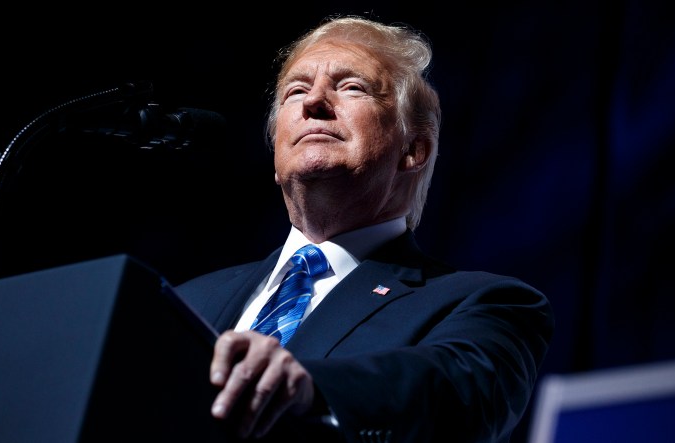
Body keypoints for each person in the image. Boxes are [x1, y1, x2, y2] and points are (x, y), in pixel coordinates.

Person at [175, 14, 554, 443]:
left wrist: (310, 388)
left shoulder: (485, 303)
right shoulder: (186, 300)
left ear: (412, 149)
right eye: (295, 91)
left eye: (351, 87)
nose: (313, 102)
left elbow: (457, 394)